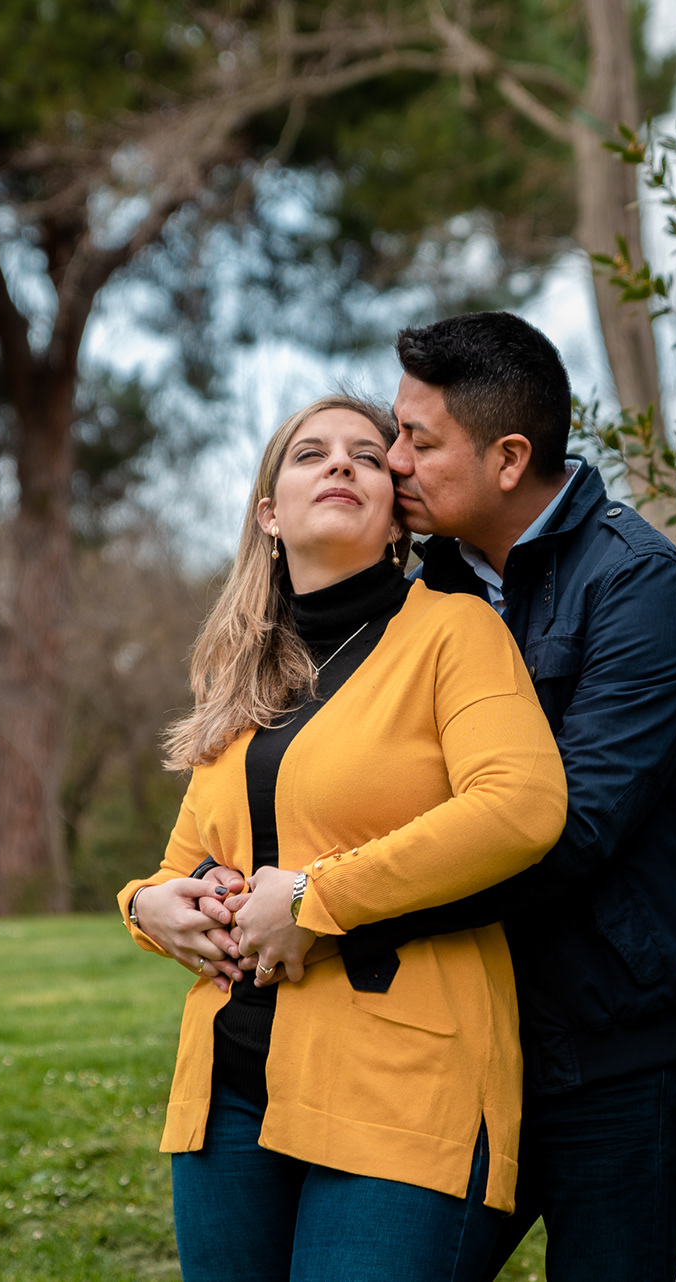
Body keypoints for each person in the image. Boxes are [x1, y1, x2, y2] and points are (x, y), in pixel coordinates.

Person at [221, 313, 676, 1281]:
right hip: (455, 1044)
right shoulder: (431, 584)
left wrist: (325, 909)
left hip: (612, 1052)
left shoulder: (640, 592)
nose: (394, 459)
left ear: (507, 458)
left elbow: (563, 831)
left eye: (419, 440)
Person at [117, 393, 567, 1282]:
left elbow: (520, 805)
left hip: (403, 1078)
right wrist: (147, 908)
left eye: (368, 455)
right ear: (268, 515)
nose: (342, 465)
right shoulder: (242, 672)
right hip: (228, 1091)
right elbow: (179, 866)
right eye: (311, 454)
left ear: (396, 515)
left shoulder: (453, 631)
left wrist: (315, 899)